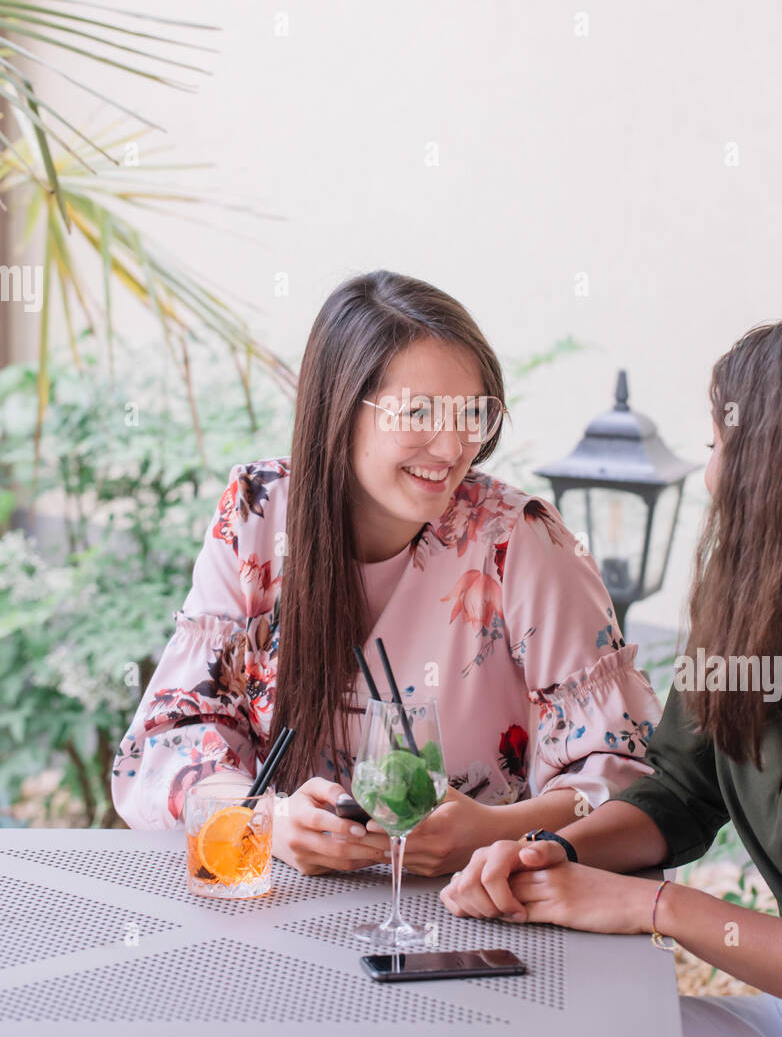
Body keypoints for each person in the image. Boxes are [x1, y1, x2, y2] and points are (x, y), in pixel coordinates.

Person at [112, 269, 662, 877]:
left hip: (471, 909)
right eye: (418, 413)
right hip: (284, 899)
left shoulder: (520, 540)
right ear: (339, 409)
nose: (452, 448)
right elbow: (166, 745)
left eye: (472, 414)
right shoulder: (259, 513)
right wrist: (266, 816)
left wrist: (493, 831)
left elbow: (627, 775)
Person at [440, 311, 782, 1037]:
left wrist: (657, 907)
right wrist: (547, 854)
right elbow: (680, 793)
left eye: (721, 445)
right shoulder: (752, 621)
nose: (710, 473)